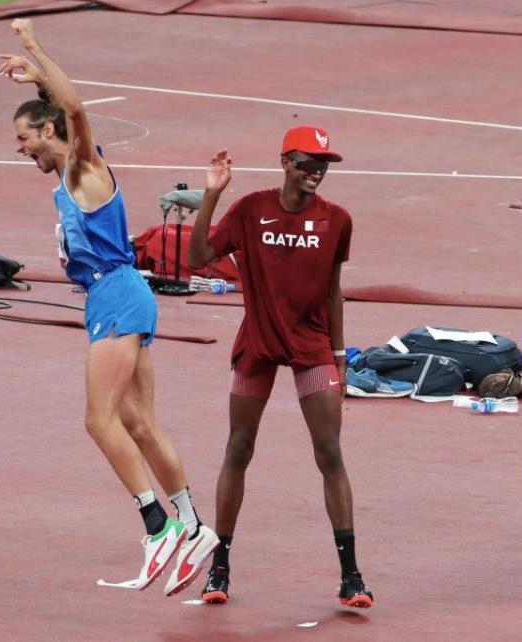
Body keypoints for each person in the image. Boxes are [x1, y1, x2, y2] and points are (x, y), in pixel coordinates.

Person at [0, 18, 218, 595]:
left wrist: (34, 48)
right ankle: (194, 526)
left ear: (48, 131)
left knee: (99, 420)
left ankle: (157, 527)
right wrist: (37, 77)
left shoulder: (82, 164)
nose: (21, 151)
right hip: (121, 296)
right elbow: (60, 104)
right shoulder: (69, 174)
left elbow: (73, 107)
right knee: (139, 422)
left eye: (24, 139)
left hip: (116, 296)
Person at [187, 127, 373, 608]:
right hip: (259, 342)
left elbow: (333, 291)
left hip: (312, 347)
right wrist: (211, 194)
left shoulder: (337, 220)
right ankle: (219, 568)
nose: (317, 172)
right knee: (239, 448)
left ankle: (351, 576)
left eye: (324, 165)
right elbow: (198, 257)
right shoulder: (251, 209)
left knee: (330, 453)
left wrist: (339, 357)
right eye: (309, 163)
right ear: (286, 161)